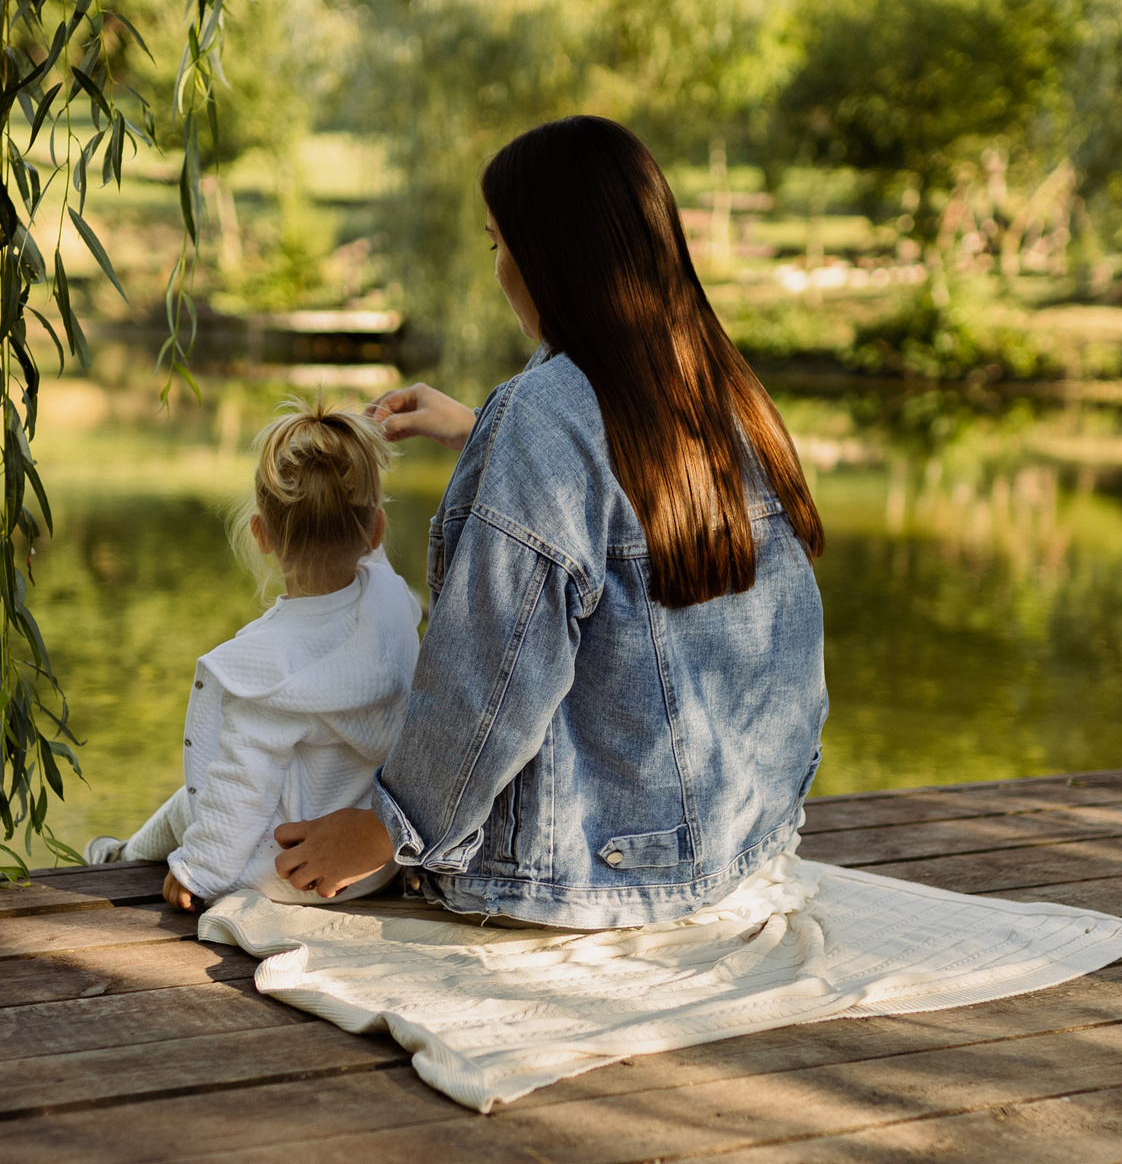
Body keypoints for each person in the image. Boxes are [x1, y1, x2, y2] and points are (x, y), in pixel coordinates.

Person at [273, 115, 829, 928]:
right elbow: (634, 500)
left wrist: (390, 830)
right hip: (744, 839)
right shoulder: (717, 383)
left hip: (590, 870)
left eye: (499, 243)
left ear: (552, 256)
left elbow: (489, 674)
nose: (498, 268)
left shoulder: (542, 416)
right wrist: (480, 432)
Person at [85, 402, 422, 911]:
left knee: (190, 803)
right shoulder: (392, 608)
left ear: (261, 535)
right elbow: (366, 554)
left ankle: (122, 856)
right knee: (194, 801)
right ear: (376, 532)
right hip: (371, 860)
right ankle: (125, 852)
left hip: (287, 867)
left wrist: (199, 870)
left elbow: (242, 785)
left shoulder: (265, 666)